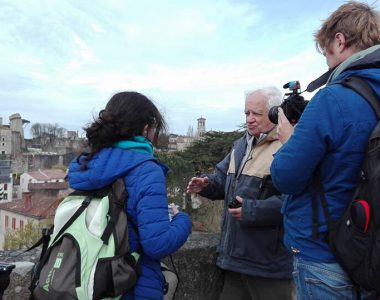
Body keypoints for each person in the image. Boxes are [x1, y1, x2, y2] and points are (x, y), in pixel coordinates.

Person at [271, 1, 380, 299]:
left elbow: (286, 177)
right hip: (372, 249)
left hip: (326, 253)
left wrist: (289, 139)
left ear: (340, 41)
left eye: (327, 53)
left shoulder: (334, 99)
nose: (327, 64)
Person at [67, 91, 192, 300]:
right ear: (146, 128)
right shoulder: (145, 169)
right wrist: (182, 220)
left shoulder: (85, 164)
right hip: (129, 285)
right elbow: (157, 244)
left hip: (85, 280)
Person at [186, 87, 294, 300]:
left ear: (274, 113)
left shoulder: (288, 146)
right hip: (235, 261)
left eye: (256, 114)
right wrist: (206, 185)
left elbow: (296, 200)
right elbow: (222, 179)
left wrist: (253, 211)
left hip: (268, 266)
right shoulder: (240, 146)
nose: (250, 119)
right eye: (247, 113)